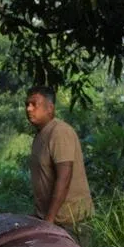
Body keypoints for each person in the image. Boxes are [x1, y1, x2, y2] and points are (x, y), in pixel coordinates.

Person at [25, 86, 93, 234]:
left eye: (34, 104)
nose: (29, 109)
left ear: (50, 108)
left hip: (71, 223)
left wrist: (49, 220)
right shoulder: (40, 136)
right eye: (27, 104)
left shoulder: (60, 132)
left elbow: (64, 177)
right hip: (52, 221)